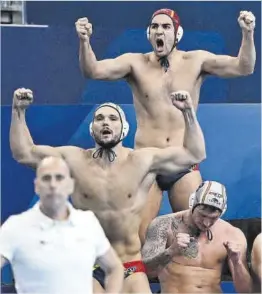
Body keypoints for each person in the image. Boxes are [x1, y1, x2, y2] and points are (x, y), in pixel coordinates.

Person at [75, 9, 256, 244]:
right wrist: (84, 40)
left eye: (166, 27)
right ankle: (144, 279)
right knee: (140, 236)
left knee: (196, 235)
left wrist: (248, 33)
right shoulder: (135, 63)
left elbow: (244, 67)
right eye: (155, 27)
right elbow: (93, 70)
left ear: (177, 33)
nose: (159, 31)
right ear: (149, 34)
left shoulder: (196, 61)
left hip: (183, 163)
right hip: (148, 163)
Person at [10, 88, 205, 293]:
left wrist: (188, 113)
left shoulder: (142, 161)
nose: (106, 122)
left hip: (129, 267)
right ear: (92, 128)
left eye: (113, 118)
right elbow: (24, 153)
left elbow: (194, 154)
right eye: (100, 118)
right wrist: (18, 111)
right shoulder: (73, 160)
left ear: (124, 129)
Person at [0, 156, 124, 294]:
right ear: (36, 186)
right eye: (46, 178)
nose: (53, 185)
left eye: (59, 178)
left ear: (70, 185)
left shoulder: (88, 222)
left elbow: (115, 268)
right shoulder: (16, 226)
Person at [142, 180, 252, 293]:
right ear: (192, 204)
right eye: (202, 215)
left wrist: (236, 262)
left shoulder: (233, 234)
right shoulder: (164, 225)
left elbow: (246, 291)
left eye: (214, 218)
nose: (206, 223)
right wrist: (171, 251)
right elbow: (148, 272)